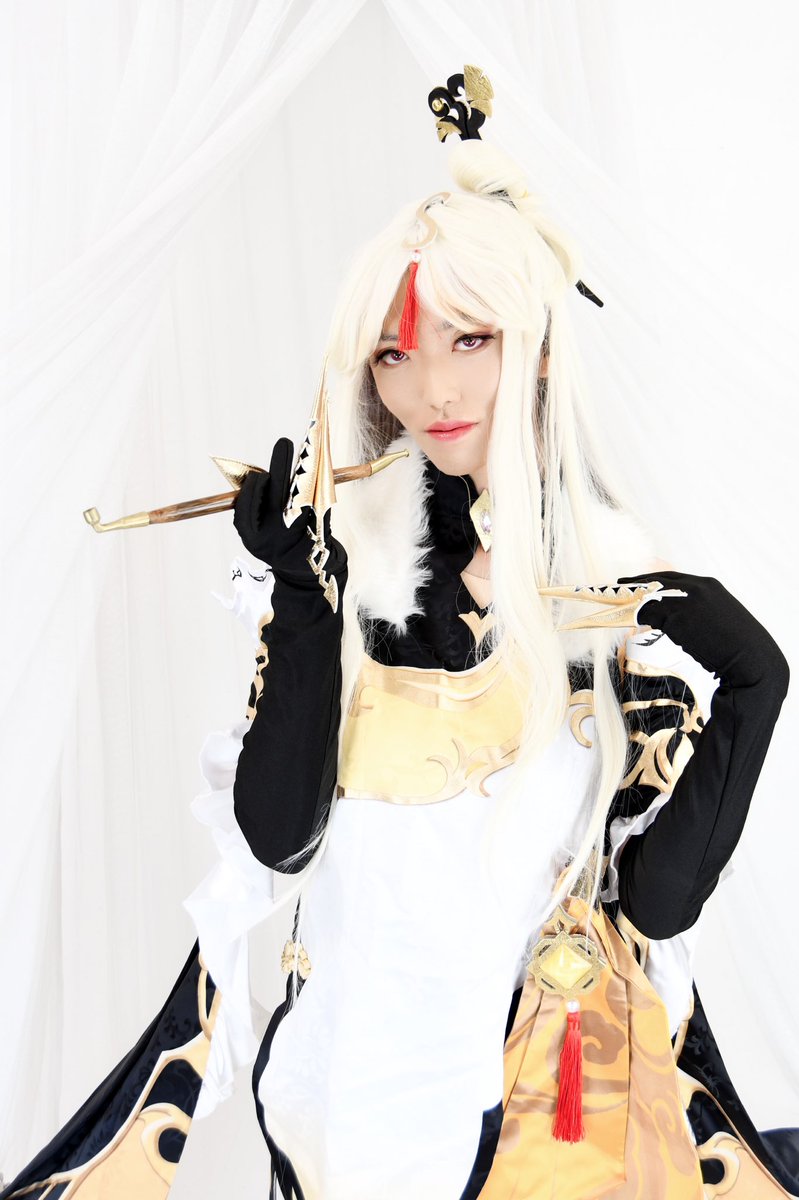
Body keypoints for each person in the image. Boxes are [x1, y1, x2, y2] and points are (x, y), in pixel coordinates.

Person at [2, 71, 795, 1200]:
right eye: (393, 353)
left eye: (470, 339)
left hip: (539, 1113)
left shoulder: (606, 593)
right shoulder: (353, 577)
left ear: (538, 346)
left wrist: (755, 687)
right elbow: (278, 842)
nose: (431, 388)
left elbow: (654, 907)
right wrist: (303, 598)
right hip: (347, 1107)